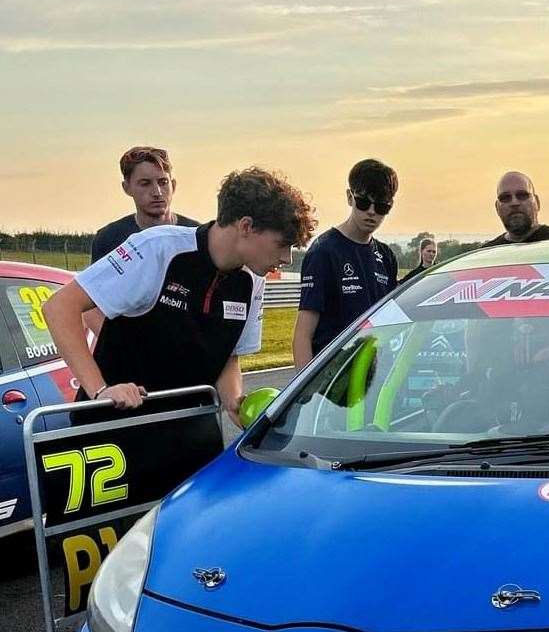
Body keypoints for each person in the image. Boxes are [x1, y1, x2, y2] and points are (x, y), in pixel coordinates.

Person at [44, 167, 317, 427]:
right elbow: (59, 307)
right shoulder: (157, 248)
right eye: (283, 245)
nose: (287, 258)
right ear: (246, 226)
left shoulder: (253, 279)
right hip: (115, 427)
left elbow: (228, 356)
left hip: (191, 428)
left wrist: (235, 403)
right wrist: (100, 391)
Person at [292, 159, 399, 367]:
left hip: (376, 373)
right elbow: (302, 335)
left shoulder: (386, 257)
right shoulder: (324, 251)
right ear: (350, 197)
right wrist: (306, 396)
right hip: (333, 378)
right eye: (363, 202)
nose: (371, 212)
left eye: (381, 206)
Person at [91, 147, 199, 264]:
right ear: (126, 188)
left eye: (163, 182)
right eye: (145, 184)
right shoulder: (109, 239)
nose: (157, 192)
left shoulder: (197, 237)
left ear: (173, 185)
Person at [478, 172, 549, 248]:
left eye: (522, 195)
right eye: (505, 198)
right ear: (497, 208)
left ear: (537, 202)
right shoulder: (487, 254)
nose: (514, 203)